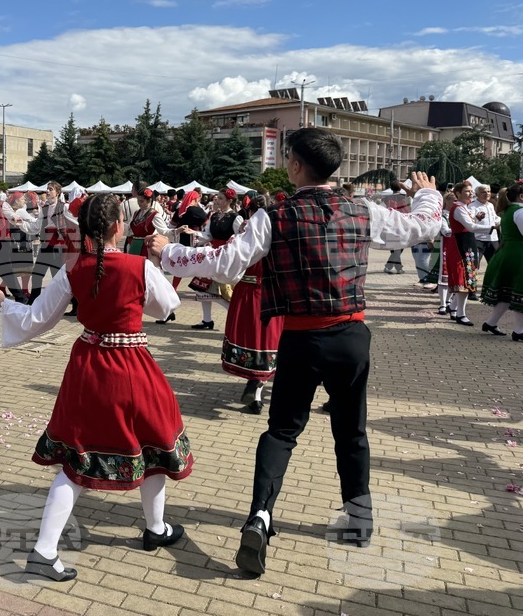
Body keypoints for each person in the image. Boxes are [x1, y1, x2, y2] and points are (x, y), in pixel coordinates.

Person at [150, 128, 441, 577]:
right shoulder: (363, 209)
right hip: (349, 335)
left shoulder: (274, 216)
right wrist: (428, 195)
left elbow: (226, 261)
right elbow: (421, 228)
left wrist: (169, 253)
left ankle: (260, 517)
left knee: (282, 432)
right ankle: (359, 518)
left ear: (295, 165)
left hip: (301, 338)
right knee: (352, 432)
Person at [0, 192, 192, 582]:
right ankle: (153, 528)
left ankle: (50, 548)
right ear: (118, 226)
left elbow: (36, 320)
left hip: (88, 368)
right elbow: (168, 306)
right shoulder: (138, 267)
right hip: (132, 368)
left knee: (76, 459)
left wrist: (2, 303)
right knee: (154, 443)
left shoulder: (73, 270)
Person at [219, 194, 283, 415]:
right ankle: (257, 391)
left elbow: (233, 258)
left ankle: (254, 389)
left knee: (249, 337)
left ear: (249, 211)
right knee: (268, 340)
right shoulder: (280, 228)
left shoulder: (246, 229)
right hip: (272, 291)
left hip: (248, 290)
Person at [186, 188, 242, 330]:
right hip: (212, 255)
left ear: (229, 201)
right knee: (201, 288)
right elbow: (208, 235)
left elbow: (240, 239)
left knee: (223, 291)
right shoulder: (215, 216)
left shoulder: (235, 218)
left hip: (226, 257)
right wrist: (194, 233)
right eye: (217, 197)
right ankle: (207, 320)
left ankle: (236, 320)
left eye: (221, 198)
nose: (217, 200)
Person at [444, 182, 494, 326]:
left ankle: (453, 308)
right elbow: (470, 226)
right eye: (467, 191)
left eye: (471, 191)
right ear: (458, 194)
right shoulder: (458, 208)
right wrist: (491, 227)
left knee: (468, 278)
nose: (470, 194)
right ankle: (461, 314)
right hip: (461, 245)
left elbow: (470, 223)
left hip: (467, 244)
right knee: (464, 280)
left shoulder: (463, 208)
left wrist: (477, 218)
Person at [480, 182, 523, 339]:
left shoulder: (510, 210)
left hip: (510, 253)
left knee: (507, 293)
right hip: (518, 255)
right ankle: (519, 331)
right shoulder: (520, 211)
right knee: (519, 291)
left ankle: (491, 323)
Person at [19, 182, 74, 304]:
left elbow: (73, 223)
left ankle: (71, 303)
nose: (47, 191)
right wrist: (20, 224)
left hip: (59, 246)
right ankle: (33, 300)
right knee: (37, 274)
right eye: (47, 189)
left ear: (57, 192)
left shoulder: (64, 207)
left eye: (51, 189)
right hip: (46, 245)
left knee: (59, 277)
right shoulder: (43, 208)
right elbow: (36, 227)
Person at [469, 184, 501, 265]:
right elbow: (469, 222)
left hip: (493, 239)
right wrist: (476, 217)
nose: (487, 194)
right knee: (474, 264)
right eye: (483, 192)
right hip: (479, 239)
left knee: (496, 263)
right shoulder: (472, 206)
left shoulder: (490, 205)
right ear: (477, 194)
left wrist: (502, 221)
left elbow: (495, 218)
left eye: (488, 191)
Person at [382, 181, 409, 274]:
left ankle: (393, 267)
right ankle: (393, 267)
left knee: (394, 247)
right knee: (399, 247)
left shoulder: (386, 198)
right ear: (400, 188)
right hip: (402, 224)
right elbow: (407, 211)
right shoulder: (405, 198)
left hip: (390, 225)